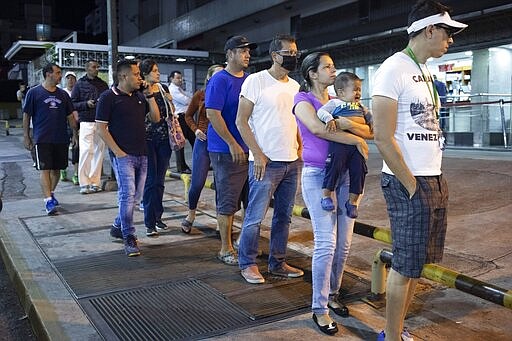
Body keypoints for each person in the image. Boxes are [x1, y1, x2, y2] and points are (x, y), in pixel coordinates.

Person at [371, 1, 466, 340]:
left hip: (432, 177)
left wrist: (430, 180)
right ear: (429, 30)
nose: (450, 41)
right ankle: (391, 336)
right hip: (409, 182)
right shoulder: (392, 68)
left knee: (417, 266)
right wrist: (411, 184)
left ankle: (396, 329)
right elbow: (381, 136)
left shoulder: (425, 71)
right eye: (447, 33)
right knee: (404, 265)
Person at [293, 52, 370, 335]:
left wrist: (355, 130)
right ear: (313, 73)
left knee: (344, 245)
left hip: (347, 175)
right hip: (318, 176)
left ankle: (333, 294)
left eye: (334, 66)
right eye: (327, 67)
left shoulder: (343, 101)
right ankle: (319, 308)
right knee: (326, 243)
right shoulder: (303, 101)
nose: (333, 70)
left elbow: (369, 129)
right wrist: (355, 139)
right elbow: (317, 128)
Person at [236, 34, 303, 284]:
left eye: (296, 52)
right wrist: (258, 154)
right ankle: (248, 263)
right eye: (290, 53)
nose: (294, 57)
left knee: (284, 217)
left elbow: (296, 121)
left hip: (292, 161)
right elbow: (241, 121)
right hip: (265, 162)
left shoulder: (295, 86)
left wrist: (301, 149)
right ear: (275, 55)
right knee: (255, 217)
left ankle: (277, 262)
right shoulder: (256, 81)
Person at [96, 59, 160, 257]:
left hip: (142, 153)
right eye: (136, 74)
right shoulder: (108, 97)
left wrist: (149, 96)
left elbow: (156, 119)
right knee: (127, 194)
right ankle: (129, 236)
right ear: (124, 76)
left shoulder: (139, 97)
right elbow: (101, 128)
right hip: (123, 155)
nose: (140, 78)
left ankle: (118, 225)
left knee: (137, 197)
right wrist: (118, 152)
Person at [205, 35, 257, 265]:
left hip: (250, 150)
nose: (247, 54)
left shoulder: (249, 80)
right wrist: (232, 143)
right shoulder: (220, 80)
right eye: (242, 50)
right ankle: (225, 248)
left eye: (248, 51)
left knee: (251, 200)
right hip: (226, 150)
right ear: (230, 54)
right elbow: (212, 114)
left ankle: (242, 243)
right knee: (228, 201)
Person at [22, 63, 77, 215]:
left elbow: (70, 116)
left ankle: (51, 193)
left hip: (61, 138)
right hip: (42, 138)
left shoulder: (63, 95)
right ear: (48, 74)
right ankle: (48, 201)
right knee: (45, 169)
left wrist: (75, 134)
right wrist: (26, 136)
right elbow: (26, 116)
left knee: (57, 170)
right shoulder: (34, 93)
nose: (60, 76)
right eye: (58, 73)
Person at [316, 72, 373, 218]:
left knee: (359, 170)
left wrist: (372, 122)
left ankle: (352, 202)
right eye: (355, 89)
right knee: (333, 166)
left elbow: (370, 116)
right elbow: (321, 112)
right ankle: (326, 195)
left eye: (359, 89)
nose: (358, 93)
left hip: (356, 145)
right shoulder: (335, 103)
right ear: (341, 92)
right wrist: (329, 119)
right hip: (339, 143)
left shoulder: (360, 106)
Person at [181, 64, 224, 233]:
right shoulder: (201, 94)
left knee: (223, 185)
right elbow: (187, 115)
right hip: (204, 140)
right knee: (197, 182)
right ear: (209, 78)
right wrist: (196, 129)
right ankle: (191, 214)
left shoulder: (228, 93)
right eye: (217, 75)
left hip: (222, 142)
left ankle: (223, 222)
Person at [138, 59, 174, 237]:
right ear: (145, 73)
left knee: (160, 181)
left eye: (158, 70)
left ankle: (158, 217)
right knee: (150, 181)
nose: (158, 74)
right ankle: (149, 222)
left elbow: (170, 113)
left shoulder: (163, 88)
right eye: (154, 71)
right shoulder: (140, 90)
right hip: (147, 140)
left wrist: (170, 101)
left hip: (164, 139)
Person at [71, 59, 109, 194]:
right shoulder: (79, 85)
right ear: (87, 68)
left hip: (101, 122)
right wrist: (86, 104)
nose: (96, 69)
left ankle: (95, 182)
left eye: (97, 67)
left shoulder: (103, 85)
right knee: (86, 151)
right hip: (86, 121)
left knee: (99, 152)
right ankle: (84, 182)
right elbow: (73, 104)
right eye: (93, 67)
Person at [168, 70, 195, 174]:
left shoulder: (179, 89)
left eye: (181, 78)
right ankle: (181, 167)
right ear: (171, 79)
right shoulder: (172, 90)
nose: (181, 80)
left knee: (195, 140)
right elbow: (187, 101)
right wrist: (190, 100)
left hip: (186, 117)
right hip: (179, 118)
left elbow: (189, 99)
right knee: (180, 144)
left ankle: (199, 163)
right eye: (178, 78)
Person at [61, 71, 79, 185]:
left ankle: (76, 174)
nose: (70, 80)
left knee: (76, 148)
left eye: (72, 78)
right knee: (63, 147)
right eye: (68, 78)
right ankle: (63, 169)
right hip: (64, 123)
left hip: (76, 123)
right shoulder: (62, 92)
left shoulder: (77, 92)